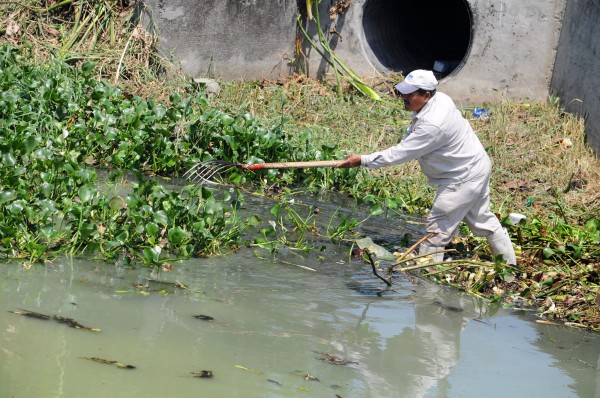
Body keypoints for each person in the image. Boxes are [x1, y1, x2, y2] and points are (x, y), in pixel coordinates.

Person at [337, 69, 516, 265]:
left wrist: (362, 160)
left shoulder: (433, 124)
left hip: (462, 176)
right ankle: (509, 264)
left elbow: (401, 153)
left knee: (437, 228)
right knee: (481, 220)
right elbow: (409, 138)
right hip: (476, 165)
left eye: (410, 94)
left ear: (426, 95)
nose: (404, 97)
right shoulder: (440, 99)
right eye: (403, 92)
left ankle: (426, 280)